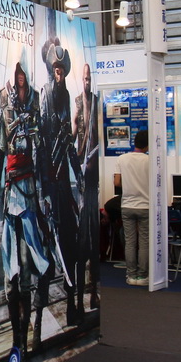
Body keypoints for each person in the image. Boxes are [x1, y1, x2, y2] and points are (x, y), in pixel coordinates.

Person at [0, 57, 53, 362]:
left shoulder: (36, 109)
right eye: (17, 75)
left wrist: (46, 194)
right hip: (10, 197)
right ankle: (18, 344)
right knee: (12, 280)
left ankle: (31, 333)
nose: (20, 79)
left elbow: (42, 155)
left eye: (23, 74)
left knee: (33, 270)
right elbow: (0, 154)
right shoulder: (5, 110)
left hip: (31, 196)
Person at [39, 39, 83, 326]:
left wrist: (79, 174)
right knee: (46, 250)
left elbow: (68, 142)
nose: (59, 73)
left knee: (70, 244)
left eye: (62, 69)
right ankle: (39, 320)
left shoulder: (65, 96)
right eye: (56, 68)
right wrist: (43, 190)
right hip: (49, 185)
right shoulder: (45, 95)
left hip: (64, 184)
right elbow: (42, 145)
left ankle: (71, 304)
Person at [73, 63, 101, 309]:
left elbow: (99, 134)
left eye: (89, 78)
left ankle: (93, 294)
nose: (87, 81)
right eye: (84, 78)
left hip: (94, 183)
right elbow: (73, 133)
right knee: (82, 245)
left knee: (93, 243)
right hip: (82, 182)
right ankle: (80, 297)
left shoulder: (97, 103)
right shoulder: (78, 104)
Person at [114, 130, 150, 286]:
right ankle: (142, 276)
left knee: (130, 242)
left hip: (127, 204)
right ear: (147, 145)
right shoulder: (150, 160)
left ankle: (131, 275)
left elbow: (116, 182)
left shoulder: (122, 159)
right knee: (144, 241)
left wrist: (129, 185)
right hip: (146, 205)